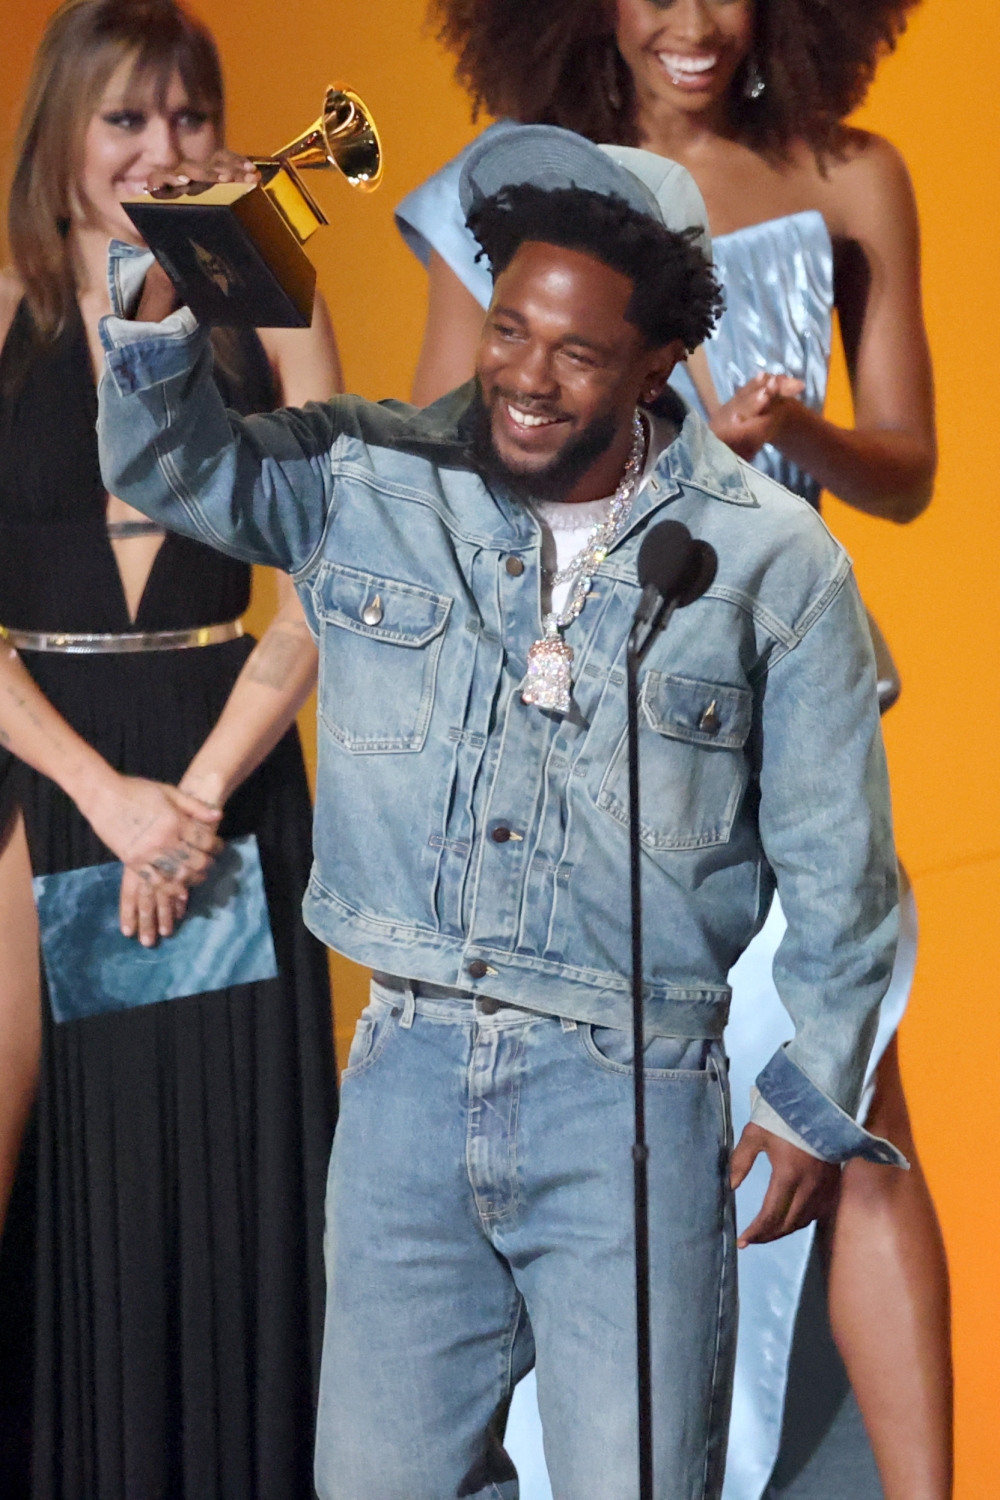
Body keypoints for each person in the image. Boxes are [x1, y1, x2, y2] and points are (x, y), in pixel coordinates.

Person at [98, 123, 905, 1500]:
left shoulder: (776, 565)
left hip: (633, 1102)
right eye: (510, 328)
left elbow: (847, 877)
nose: (527, 378)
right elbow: (172, 470)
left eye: (578, 352)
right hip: (407, 1072)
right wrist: (168, 292)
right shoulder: (372, 480)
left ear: (657, 362)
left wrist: (812, 1097)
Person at [395, 4, 950, 1497]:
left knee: (860, 1107)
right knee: (587, 1113)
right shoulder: (509, 190)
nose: (692, 20)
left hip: (794, 702)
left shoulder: (849, 174)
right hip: (589, 724)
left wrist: (796, 436)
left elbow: (907, 465)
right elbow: (445, 463)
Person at [0, 1, 340, 1494]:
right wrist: (101, 793)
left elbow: (345, 571)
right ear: (63, 135)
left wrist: (197, 800)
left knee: (230, 1202)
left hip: (232, 777)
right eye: (126, 120)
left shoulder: (272, 289)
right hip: (39, 778)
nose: (163, 149)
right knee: (63, 1189)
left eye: (190, 117)